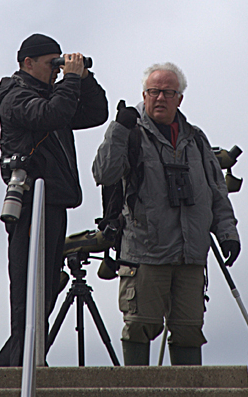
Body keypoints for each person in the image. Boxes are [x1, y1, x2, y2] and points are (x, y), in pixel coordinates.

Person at [92, 62, 240, 366]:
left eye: (168, 92)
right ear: (144, 95)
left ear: (179, 99)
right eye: (154, 92)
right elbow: (103, 172)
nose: (160, 98)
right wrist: (119, 129)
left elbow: (216, 194)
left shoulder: (196, 140)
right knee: (139, 325)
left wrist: (228, 234)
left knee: (188, 331)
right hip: (145, 253)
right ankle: (136, 391)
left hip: (190, 256)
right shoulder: (129, 132)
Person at [0, 33, 108, 366]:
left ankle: (20, 360)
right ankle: (20, 364)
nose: (57, 70)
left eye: (60, 63)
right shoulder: (14, 96)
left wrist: (83, 76)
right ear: (28, 63)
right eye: (50, 64)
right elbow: (49, 116)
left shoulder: (56, 96)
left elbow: (96, 113)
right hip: (30, 203)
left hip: (54, 201)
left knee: (45, 290)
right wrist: (70, 79)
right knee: (30, 289)